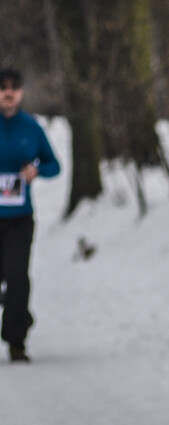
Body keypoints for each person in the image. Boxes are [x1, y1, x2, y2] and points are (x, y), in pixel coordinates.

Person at [0, 68, 60, 363]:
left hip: (20, 219)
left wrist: (37, 170)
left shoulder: (31, 127)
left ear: (21, 92)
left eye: (13, 87)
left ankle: (16, 341)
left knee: (17, 278)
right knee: (8, 282)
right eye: (2, 87)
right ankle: (16, 310)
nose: (8, 92)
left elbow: (54, 165)